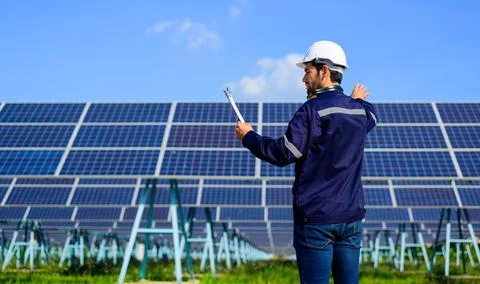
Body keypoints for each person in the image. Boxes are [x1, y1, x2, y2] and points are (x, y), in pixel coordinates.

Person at [235, 40, 377, 283]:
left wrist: (249, 137)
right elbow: (369, 114)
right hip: (351, 218)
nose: (303, 79)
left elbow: (282, 153)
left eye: (307, 71)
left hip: (316, 219)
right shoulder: (359, 112)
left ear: (324, 70)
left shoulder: (310, 112)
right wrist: (357, 100)